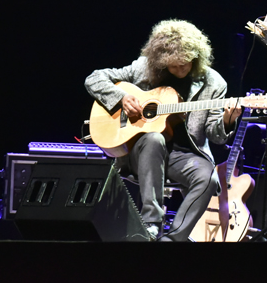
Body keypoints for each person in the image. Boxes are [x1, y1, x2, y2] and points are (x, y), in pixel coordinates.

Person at [85, 19, 243, 241]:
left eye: (186, 63)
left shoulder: (214, 83)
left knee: (209, 178)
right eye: (173, 65)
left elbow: (215, 136)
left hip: (184, 155)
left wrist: (227, 120)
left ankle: (173, 238)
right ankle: (151, 224)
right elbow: (94, 78)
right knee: (154, 139)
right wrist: (121, 98)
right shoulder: (143, 67)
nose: (180, 69)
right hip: (140, 152)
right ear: (160, 60)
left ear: (196, 57)